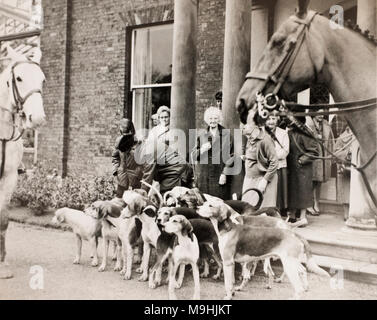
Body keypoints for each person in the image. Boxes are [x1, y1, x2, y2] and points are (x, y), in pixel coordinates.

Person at [145, 106, 192, 194]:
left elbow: (176, 148)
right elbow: (150, 146)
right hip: (157, 162)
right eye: (162, 117)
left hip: (169, 162)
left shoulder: (173, 129)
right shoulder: (154, 131)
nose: (164, 119)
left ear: (169, 117)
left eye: (166, 117)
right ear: (158, 118)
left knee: (169, 188)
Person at [192, 107, 233, 199]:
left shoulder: (226, 134)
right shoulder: (201, 135)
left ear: (219, 119)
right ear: (207, 120)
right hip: (204, 177)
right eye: (210, 118)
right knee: (204, 205)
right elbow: (194, 156)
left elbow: (231, 156)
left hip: (219, 175)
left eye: (215, 118)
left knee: (219, 204)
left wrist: (225, 173)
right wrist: (202, 150)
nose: (213, 121)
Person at [241, 108, 278, 208]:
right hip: (250, 179)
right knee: (248, 209)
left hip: (262, 181)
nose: (244, 127)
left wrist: (265, 180)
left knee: (262, 213)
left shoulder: (265, 140)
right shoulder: (250, 138)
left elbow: (274, 162)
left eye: (246, 124)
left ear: (256, 126)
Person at [287, 117, 319, 227]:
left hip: (303, 169)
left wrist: (301, 160)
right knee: (293, 191)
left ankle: (302, 216)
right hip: (291, 168)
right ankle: (291, 216)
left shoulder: (307, 133)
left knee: (303, 191)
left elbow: (314, 152)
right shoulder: (290, 132)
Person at [112, 118, 154, 198]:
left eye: (127, 133)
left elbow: (147, 166)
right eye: (123, 134)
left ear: (131, 131)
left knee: (135, 203)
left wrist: (143, 188)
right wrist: (116, 170)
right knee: (119, 201)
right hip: (122, 178)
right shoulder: (119, 141)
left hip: (136, 179)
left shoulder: (140, 143)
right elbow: (115, 156)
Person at [306, 112, 334, 214]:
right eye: (318, 113)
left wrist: (330, 157)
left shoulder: (326, 125)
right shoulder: (308, 124)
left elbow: (331, 142)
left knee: (318, 182)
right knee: (310, 182)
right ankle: (308, 205)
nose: (321, 116)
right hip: (312, 157)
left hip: (323, 158)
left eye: (322, 113)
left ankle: (316, 203)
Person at [265, 111, 290, 215]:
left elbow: (285, 151)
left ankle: (277, 213)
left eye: (273, 119)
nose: (271, 122)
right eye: (268, 119)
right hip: (264, 167)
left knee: (278, 193)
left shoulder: (283, 133)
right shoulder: (261, 132)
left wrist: (272, 157)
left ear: (277, 120)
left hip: (278, 167)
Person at [334, 126, 355, 221]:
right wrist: (348, 152)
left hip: (358, 169)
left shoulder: (360, 137)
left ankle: (355, 213)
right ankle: (346, 214)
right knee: (346, 192)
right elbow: (335, 154)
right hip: (346, 168)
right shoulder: (342, 138)